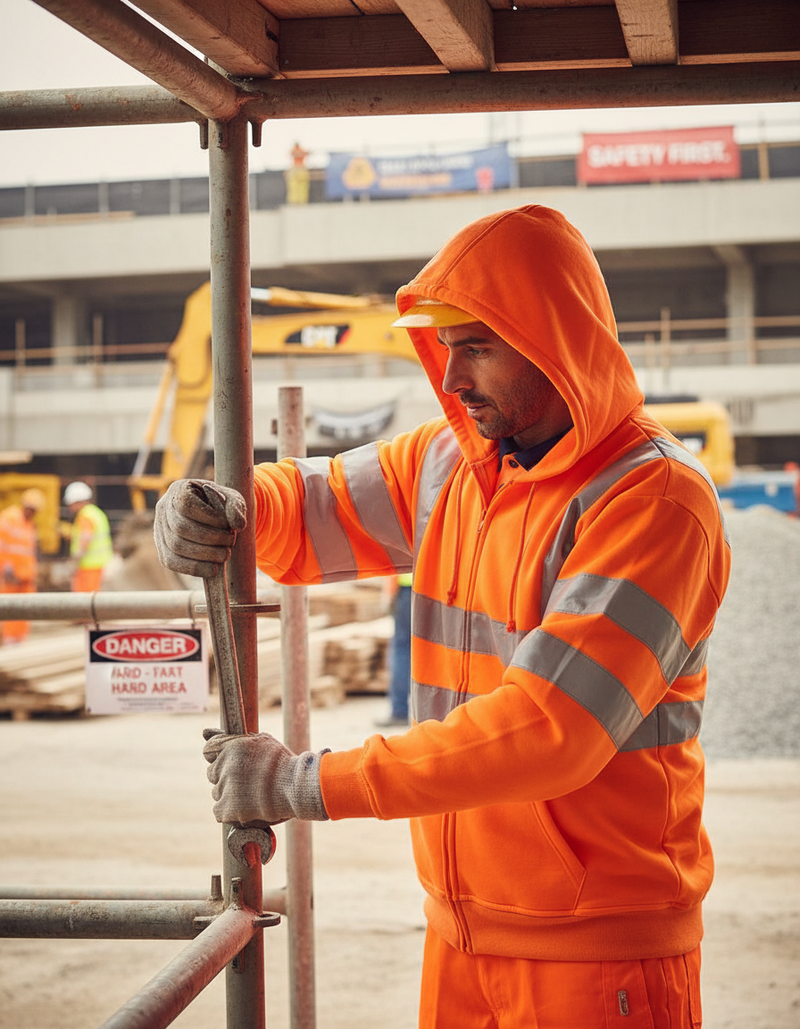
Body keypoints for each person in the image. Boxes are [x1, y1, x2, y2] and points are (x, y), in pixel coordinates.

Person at [154, 205, 731, 1028]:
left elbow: (547, 729)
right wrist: (224, 505)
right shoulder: (449, 464)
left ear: (552, 340)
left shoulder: (653, 499)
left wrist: (304, 781)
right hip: (460, 936)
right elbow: (304, 507)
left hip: (600, 959)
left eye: (476, 346)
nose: (452, 377)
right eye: (448, 346)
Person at [0, 488, 46, 644]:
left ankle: (20, 639)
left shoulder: (29, 524)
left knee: (25, 607)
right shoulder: (9, 518)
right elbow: (3, 544)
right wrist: (5, 566)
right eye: (31, 509)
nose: (32, 513)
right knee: (11, 606)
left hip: (26, 573)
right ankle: (10, 639)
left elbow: (28, 549)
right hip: (10, 573)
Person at [376, 572, 413, 727]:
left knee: (402, 649)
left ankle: (399, 710)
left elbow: (395, 565)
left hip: (407, 590)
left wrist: (389, 595)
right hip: (435, 588)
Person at [63, 481, 113, 592]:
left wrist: (74, 563)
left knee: (85, 602)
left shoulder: (85, 515)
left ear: (77, 501)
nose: (69, 507)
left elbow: (85, 541)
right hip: (101, 565)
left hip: (88, 568)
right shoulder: (96, 513)